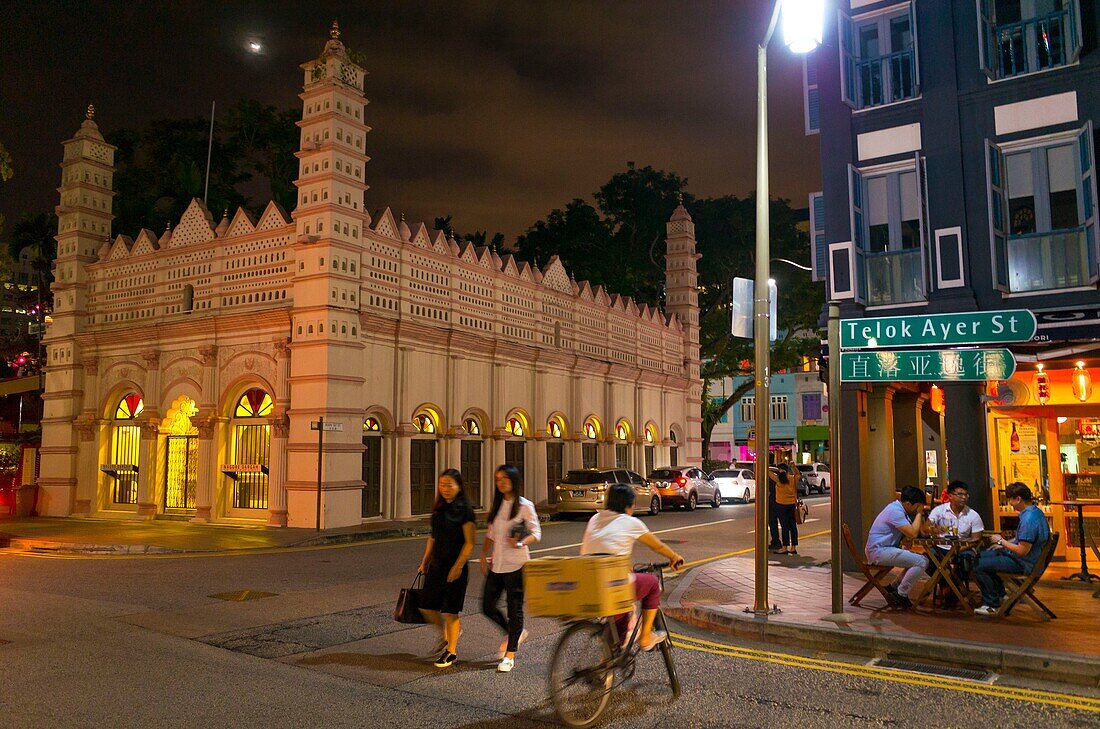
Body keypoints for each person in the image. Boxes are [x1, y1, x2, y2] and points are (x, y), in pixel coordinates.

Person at [580, 483, 685, 651]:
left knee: (619, 613)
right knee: (651, 583)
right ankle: (645, 637)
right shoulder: (630, 522)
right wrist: (674, 557)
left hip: (590, 583)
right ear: (629, 505)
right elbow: (657, 546)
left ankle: (604, 664)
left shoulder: (595, 519)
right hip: (613, 584)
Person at [480, 464, 541, 673]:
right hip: (497, 564)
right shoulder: (497, 505)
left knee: (515, 609)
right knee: (487, 606)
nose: (500, 483)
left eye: (504, 479)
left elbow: (536, 533)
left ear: (514, 481)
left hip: (517, 565)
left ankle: (510, 654)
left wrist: (522, 542)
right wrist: (483, 554)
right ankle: (515, 632)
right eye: (497, 479)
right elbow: (491, 533)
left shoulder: (525, 505)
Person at [417, 468, 476, 668]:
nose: (445, 489)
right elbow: (432, 538)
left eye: (449, 485)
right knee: (426, 605)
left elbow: (469, 542)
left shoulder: (465, 510)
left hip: (455, 568)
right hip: (437, 566)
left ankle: (451, 652)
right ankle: (448, 634)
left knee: (450, 611)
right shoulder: (439, 509)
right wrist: (424, 561)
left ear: (459, 487)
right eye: (442, 485)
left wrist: (458, 566)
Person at [974, 482, 1050, 616]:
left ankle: (992, 603)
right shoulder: (1035, 512)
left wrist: (1001, 541)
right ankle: (1000, 595)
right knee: (983, 555)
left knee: (978, 563)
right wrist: (1003, 544)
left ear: (1018, 499)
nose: (1010, 503)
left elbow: (1022, 550)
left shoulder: (1028, 519)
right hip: (1030, 559)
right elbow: (1021, 541)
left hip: (1025, 563)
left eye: (1010, 499)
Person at [865, 485, 928, 608]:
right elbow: (912, 533)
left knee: (917, 559)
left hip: (883, 549)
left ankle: (893, 587)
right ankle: (901, 594)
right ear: (909, 504)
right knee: (921, 562)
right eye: (917, 506)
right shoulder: (895, 511)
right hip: (878, 552)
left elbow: (913, 533)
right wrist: (920, 514)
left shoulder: (898, 509)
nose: (917, 509)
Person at [927, 480, 985, 604]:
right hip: (941, 547)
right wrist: (932, 528)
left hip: (963, 548)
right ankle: (948, 585)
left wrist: (959, 548)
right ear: (950, 496)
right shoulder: (939, 511)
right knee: (926, 559)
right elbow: (926, 527)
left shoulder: (973, 515)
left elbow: (976, 539)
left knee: (968, 559)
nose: (964, 498)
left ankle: (951, 587)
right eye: (960, 494)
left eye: (966, 495)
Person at [770, 464, 799, 555]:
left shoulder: (777, 479)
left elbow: (767, 470)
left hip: (781, 505)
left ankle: (784, 547)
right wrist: (793, 466)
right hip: (791, 505)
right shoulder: (792, 478)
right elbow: (798, 474)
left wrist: (776, 469)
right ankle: (793, 547)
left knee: (784, 526)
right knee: (793, 526)